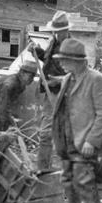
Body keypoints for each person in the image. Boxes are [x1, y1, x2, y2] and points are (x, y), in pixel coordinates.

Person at [52, 38, 102, 203]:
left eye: (64, 60)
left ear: (78, 61)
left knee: (85, 184)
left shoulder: (96, 80)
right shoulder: (68, 79)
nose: (61, 64)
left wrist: (92, 141)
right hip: (66, 142)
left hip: (83, 143)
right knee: (68, 185)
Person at [31, 11, 70, 171]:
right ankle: (43, 168)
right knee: (46, 132)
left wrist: (58, 81)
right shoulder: (53, 42)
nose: (55, 34)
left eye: (58, 31)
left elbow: (77, 74)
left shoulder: (71, 47)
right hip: (50, 93)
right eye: (54, 31)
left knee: (64, 132)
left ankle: (67, 170)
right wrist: (37, 51)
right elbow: (49, 62)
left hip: (65, 95)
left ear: (66, 30)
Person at [0, 60, 37, 131]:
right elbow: (1, 108)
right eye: (31, 76)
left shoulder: (21, 85)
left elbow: (7, 104)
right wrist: (6, 124)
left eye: (33, 76)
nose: (32, 79)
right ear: (22, 73)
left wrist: (10, 119)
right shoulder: (10, 85)